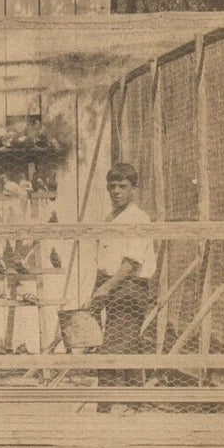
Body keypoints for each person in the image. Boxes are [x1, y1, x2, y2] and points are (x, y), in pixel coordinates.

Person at [89, 161, 156, 397]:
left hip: (130, 289)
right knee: (126, 348)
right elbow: (104, 258)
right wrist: (97, 290)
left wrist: (105, 288)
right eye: (112, 186)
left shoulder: (139, 218)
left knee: (112, 351)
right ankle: (134, 403)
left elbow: (131, 263)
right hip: (109, 286)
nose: (116, 191)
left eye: (122, 186)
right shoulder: (110, 217)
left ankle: (105, 407)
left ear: (134, 189)